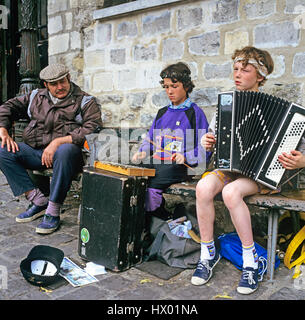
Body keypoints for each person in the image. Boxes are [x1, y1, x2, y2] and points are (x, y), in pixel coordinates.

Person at [191, 46, 275, 294]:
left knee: (231, 193)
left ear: (260, 76)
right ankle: (207, 253)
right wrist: (208, 139)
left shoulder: (275, 107)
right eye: (235, 69)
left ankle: (251, 262)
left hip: (259, 174)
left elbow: (297, 148)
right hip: (230, 169)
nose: (237, 74)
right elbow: (215, 135)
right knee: (203, 187)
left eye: (245, 70)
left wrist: (298, 160)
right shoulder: (227, 103)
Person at [0, 64, 103, 234]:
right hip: (37, 152)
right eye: (53, 84)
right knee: (2, 150)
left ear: (69, 78)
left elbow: (93, 127)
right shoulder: (35, 97)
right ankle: (38, 200)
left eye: (62, 81)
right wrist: (2, 128)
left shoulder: (85, 101)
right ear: (45, 85)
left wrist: (58, 142)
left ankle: (53, 210)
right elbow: (7, 107)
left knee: (65, 150)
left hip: (67, 158)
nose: (59, 87)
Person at [132, 62, 211, 220]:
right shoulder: (162, 113)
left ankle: (155, 218)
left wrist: (186, 156)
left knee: (156, 179)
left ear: (186, 86)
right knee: (134, 170)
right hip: (161, 162)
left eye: (174, 86)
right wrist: (143, 151)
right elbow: (150, 138)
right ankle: (147, 216)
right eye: (166, 87)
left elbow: (205, 148)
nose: (169, 91)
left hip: (182, 166)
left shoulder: (195, 113)